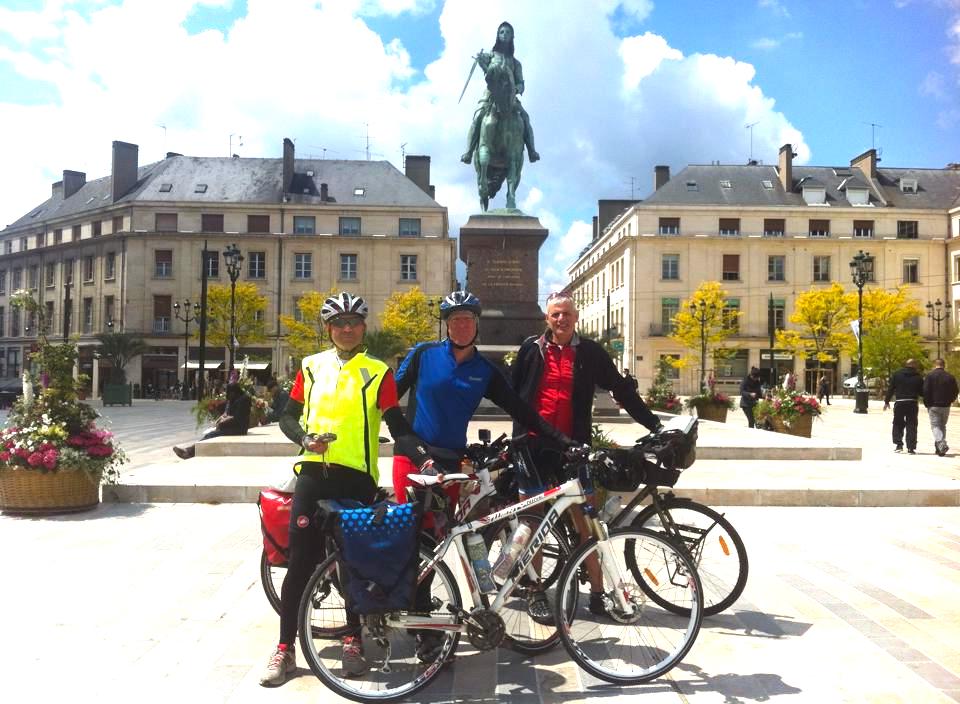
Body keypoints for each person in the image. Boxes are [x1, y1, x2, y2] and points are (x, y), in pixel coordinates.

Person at [259, 293, 429, 687]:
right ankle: (285, 647)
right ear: (328, 328)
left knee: (355, 562)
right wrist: (304, 438)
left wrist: (424, 458)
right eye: (339, 323)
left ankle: (353, 639)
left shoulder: (379, 372)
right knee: (301, 561)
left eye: (354, 322)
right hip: (313, 474)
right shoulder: (310, 366)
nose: (347, 329)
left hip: (357, 480)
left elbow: (398, 426)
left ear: (364, 327)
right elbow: (287, 416)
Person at [392, 290, 574, 640]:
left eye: (468, 320)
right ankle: (419, 620)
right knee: (414, 537)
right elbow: (387, 401)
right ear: (446, 325)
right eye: (455, 320)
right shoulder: (423, 355)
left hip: (449, 463)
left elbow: (522, 411)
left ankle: (421, 614)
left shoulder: (484, 370)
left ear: (477, 325)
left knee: (436, 539)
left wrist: (562, 440)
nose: (461, 325)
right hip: (412, 459)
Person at [510, 291, 663, 621]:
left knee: (588, 523)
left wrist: (654, 424)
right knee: (533, 523)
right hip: (532, 447)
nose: (561, 319)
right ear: (547, 318)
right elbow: (511, 395)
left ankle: (596, 593)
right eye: (555, 314)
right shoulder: (531, 350)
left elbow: (621, 389)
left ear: (576, 317)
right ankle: (536, 591)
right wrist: (515, 438)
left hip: (573, 449)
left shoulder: (590, 353)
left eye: (566, 313)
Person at [461, 21, 539, 164]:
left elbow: (521, 83)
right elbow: (486, 71)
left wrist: (516, 89)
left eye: (508, 32)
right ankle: (468, 152)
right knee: (478, 116)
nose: (504, 34)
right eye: (502, 32)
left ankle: (532, 151)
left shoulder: (516, 63)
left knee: (525, 118)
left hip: (510, 97)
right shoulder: (490, 56)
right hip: (490, 95)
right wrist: (481, 60)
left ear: (512, 37)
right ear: (498, 35)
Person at [172, 381, 251, 459]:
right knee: (210, 434)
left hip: (239, 428)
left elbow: (238, 417)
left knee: (211, 435)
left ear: (235, 392)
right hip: (229, 426)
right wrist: (218, 420)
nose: (229, 396)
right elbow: (226, 413)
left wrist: (223, 421)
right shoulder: (232, 398)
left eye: (230, 394)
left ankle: (189, 452)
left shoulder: (244, 399)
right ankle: (189, 451)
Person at [883, 358, 924, 454]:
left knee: (897, 423)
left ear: (906, 364)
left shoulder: (897, 374)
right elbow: (922, 392)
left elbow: (891, 388)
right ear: (914, 365)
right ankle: (911, 447)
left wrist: (887, 401)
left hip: (900, 402)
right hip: (912, 402)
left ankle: (899, 445)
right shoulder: (918, 377)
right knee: (912, 424)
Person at [922, 358, 958, 457]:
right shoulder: (950, 376)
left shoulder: (930, 376)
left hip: (933, 405)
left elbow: (925, 390)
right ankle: (940, 449)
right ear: (944, 365)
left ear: (935, 365)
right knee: (942, 426)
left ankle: (941, 443)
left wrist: (927, 403)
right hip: (946, 405)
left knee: (935, 426)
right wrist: (951, 400)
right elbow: (955, 390)